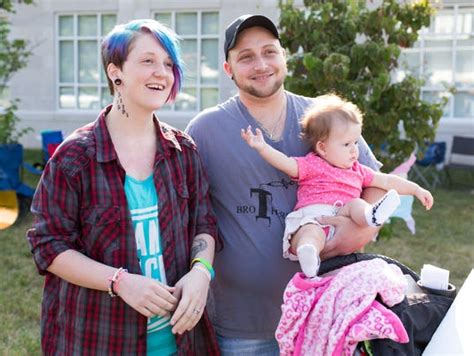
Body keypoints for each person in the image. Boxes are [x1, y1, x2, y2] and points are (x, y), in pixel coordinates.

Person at [186, 14, 383, 355]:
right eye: (245, 56)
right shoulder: (206, 129)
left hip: (326, 316)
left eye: (269, 51)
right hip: (242, 329)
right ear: (228, 69)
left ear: (283, 57)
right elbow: (190, 215)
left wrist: (361, 232)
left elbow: (374, 180)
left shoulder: (323, 116)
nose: (260, 64)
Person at [27, 19, 219, 355]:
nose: (162, 72)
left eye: (168, 64)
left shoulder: (183, 151)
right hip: (98, 337)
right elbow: (48, 244)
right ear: (116, 73)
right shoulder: (75, 157)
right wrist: (120, 281)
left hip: (178, 341)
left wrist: (201, 272)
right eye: (148, 61)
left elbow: (204, 224)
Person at [242, 93, 434, 278]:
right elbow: (285, 162)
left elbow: (386, 181)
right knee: (309, 234)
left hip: (344, 214)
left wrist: (415, 189)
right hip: (315, 215)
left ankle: (370, 215)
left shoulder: (358, 170)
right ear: (322, 148)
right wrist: (262, 147)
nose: (354, 150)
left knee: (357, 205)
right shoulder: (312, 164)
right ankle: (308, 254)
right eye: (346, 144)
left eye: (355, 142)